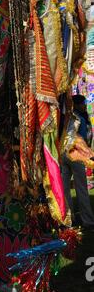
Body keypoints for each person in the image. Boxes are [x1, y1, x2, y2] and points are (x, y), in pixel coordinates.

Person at [62, 95, 94, 230]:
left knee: (65, 190)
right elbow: (76, 139)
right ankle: (86, 220)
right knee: (80, 189)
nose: (84, 105)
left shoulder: (71, 117)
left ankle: (69, 220)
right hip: (75, 155)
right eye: (82, 103)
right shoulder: (76, 118)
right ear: (75, 104)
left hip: (66, 154)